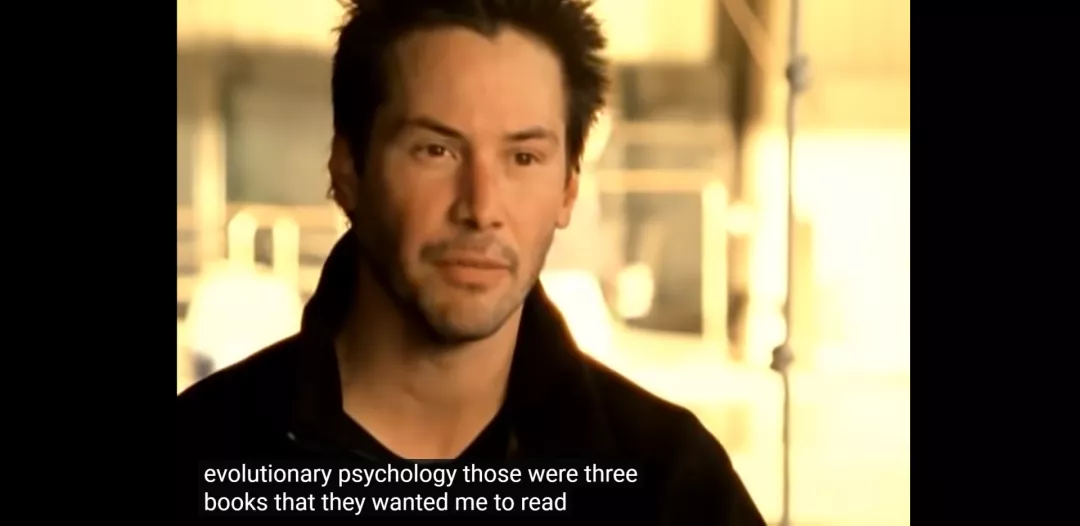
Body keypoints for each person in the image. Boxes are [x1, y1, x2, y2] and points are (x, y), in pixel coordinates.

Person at [177, 1, 764, 523]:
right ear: (348, 168)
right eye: (436, 150)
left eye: (524, 157)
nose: (481, 209)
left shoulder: (666, 483)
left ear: (568, 188)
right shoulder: (205, 455)